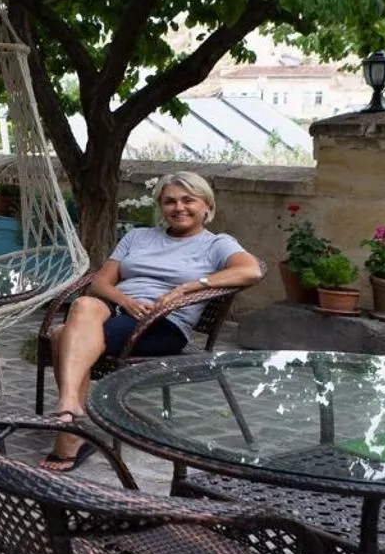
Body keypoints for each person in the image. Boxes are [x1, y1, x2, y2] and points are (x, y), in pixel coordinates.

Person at [44, 171, 262, 470]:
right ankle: (71, 409)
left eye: (189, 200)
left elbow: (251, 271)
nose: (179, 207)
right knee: (83, 303)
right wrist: (126, 301)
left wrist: (188, 287)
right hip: (119, 308)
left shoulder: (217, 244)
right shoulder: (138, 237)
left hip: (162, 321)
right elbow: (100, 283)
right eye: (170, 201)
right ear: (161, 207)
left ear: (206, 206)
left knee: (61, 335)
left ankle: (69, 433)